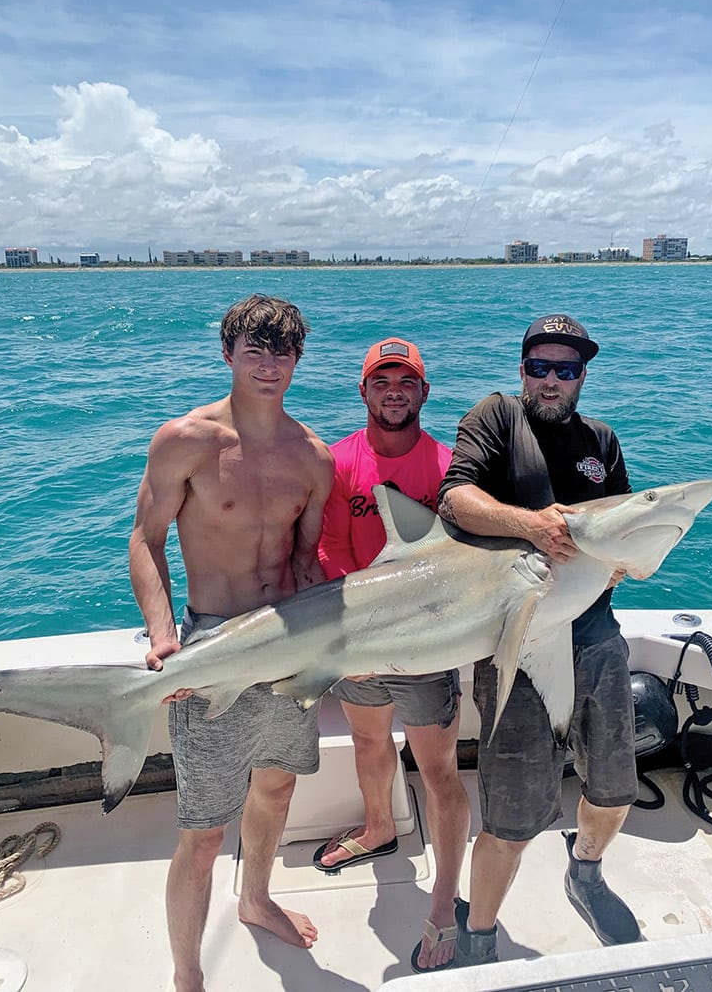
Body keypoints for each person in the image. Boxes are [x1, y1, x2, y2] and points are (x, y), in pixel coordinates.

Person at [129, 294, 335, 992]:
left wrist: (335, 642)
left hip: (285, 642)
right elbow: (145, 539)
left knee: (276, 787)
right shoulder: (184, 439)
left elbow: (306, 566)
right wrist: (164, 636)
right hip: (213, 640)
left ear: (299, 360)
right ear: (228, 354)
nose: (270, 363)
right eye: (256, 349)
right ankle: (187, 973)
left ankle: (256, 897)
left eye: (283, 351)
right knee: (206, 828)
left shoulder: (314, 457)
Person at [437, 313, 641, 966]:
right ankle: (481, 932)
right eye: (540, 367)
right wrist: (530, 525)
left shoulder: (601, 440)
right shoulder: (497, 418)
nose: (552, 380)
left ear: (583, 376)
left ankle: (585, 871)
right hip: (518, 637)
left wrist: (628, 559)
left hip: (594, 629)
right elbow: (455, 499)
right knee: (513, 812)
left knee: (614, 789)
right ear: (522, 370)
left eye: (567, 369)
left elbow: (628, 526)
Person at [313, 337, 471, 973]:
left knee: (439, 772)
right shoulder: (340, 461)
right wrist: (362, 626)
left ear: (424, 393)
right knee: (369, 742)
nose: (395, 391)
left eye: (406, 382)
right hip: (359, 640)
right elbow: (326, 547)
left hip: (429, 642)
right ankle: (379, 828)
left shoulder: (450, 464)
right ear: (364, 393)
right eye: (382, 382)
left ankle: (443, 903)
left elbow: (468, 555)